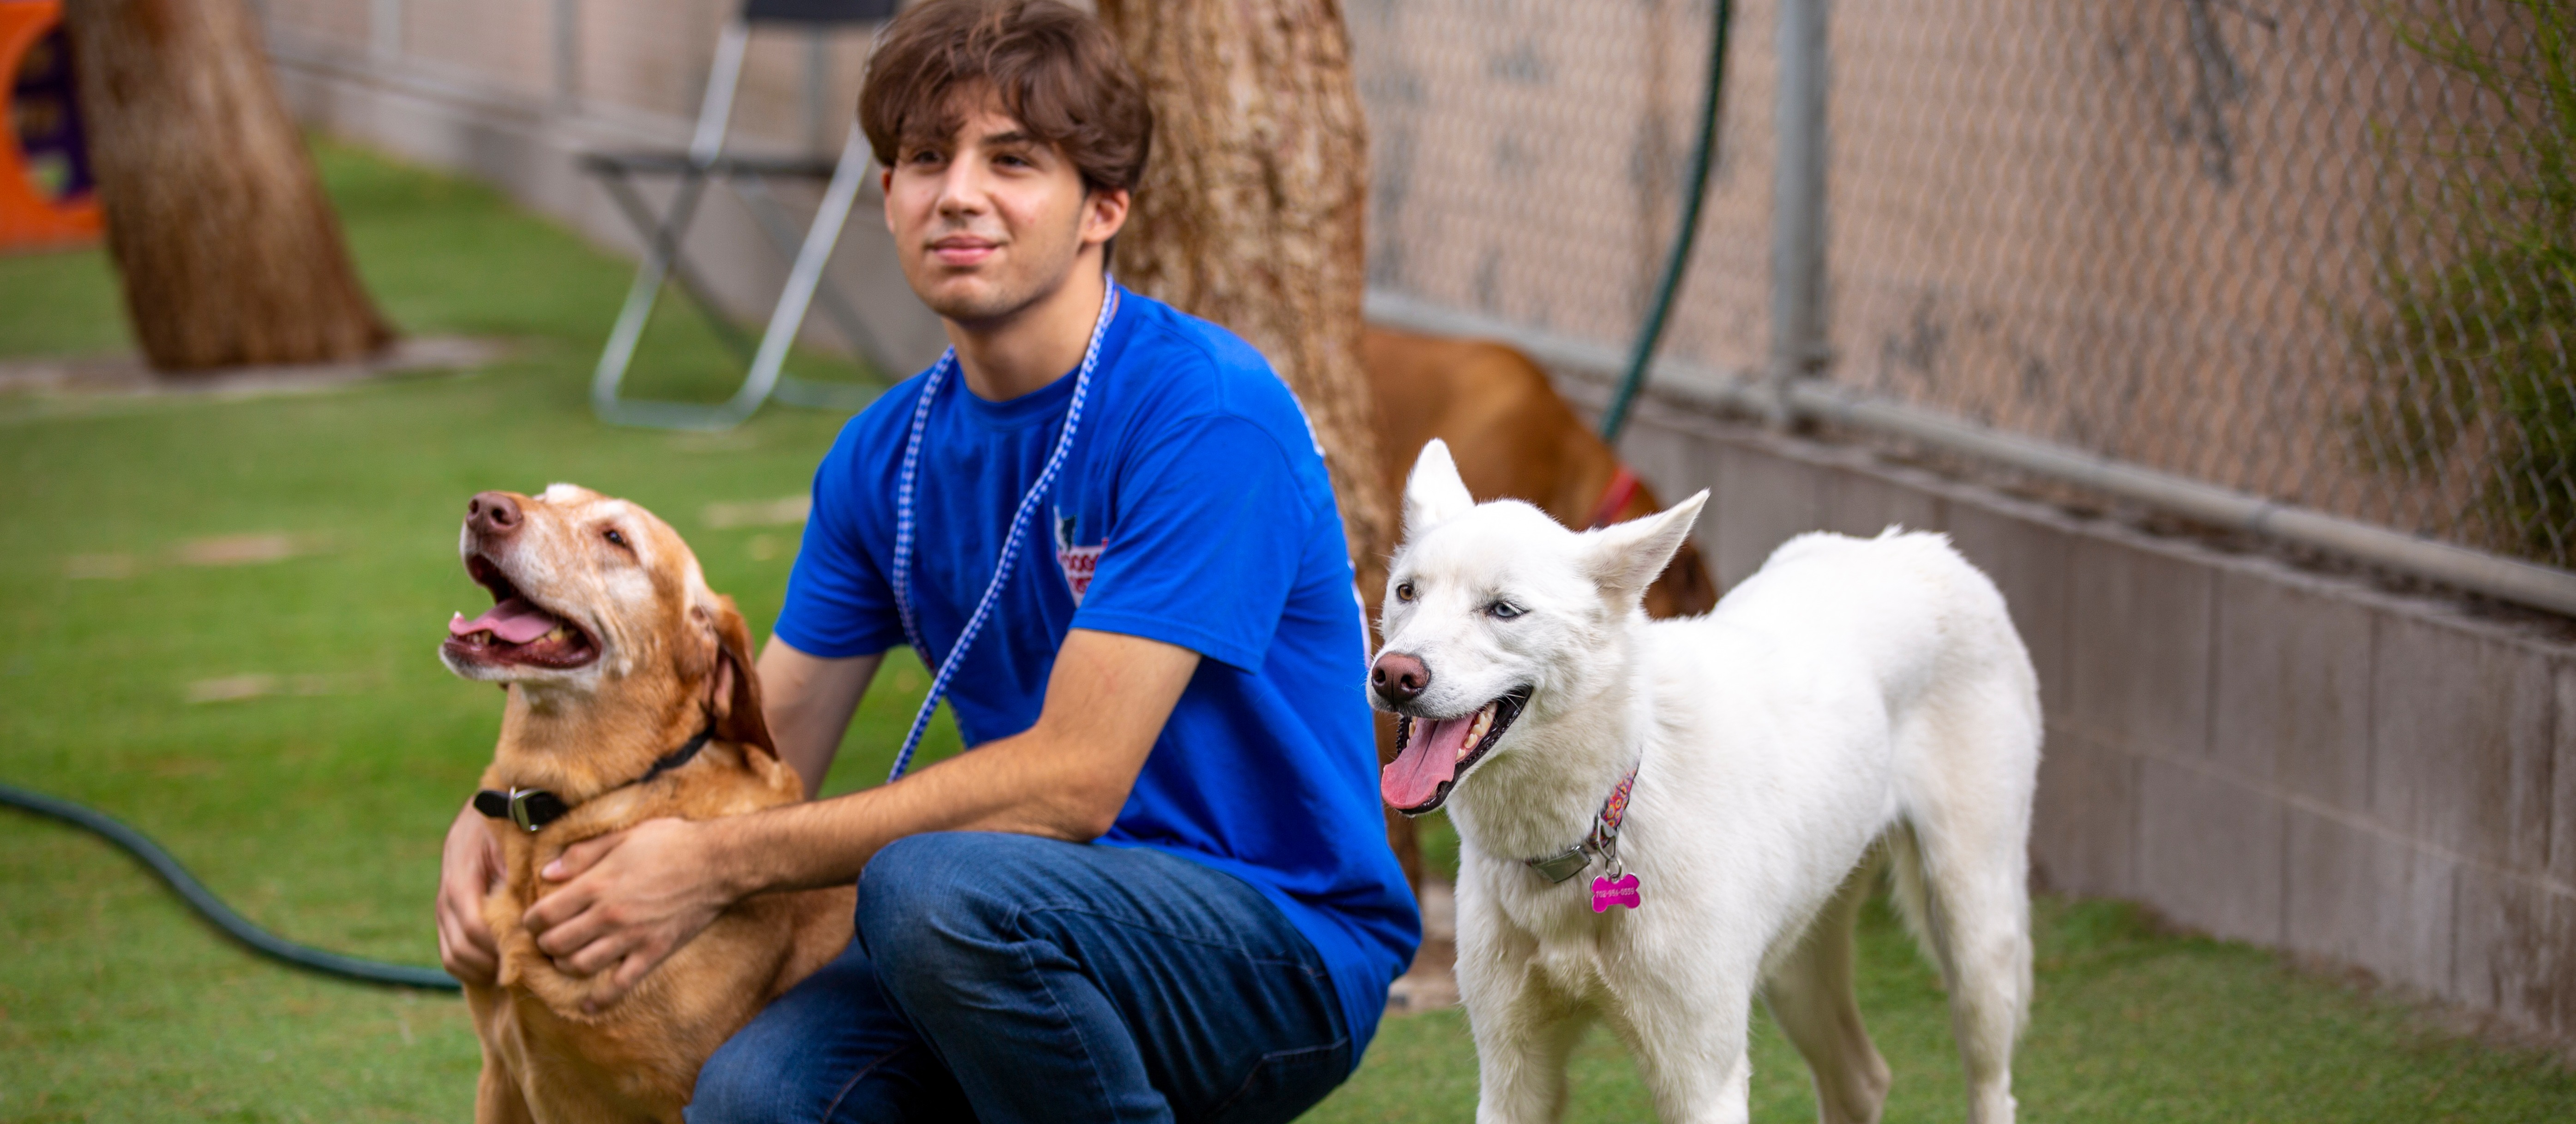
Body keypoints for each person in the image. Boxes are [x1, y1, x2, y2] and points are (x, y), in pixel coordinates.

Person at [430, 1, 1419, 1119]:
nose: (957, 192)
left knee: (928, 884)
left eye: (1013, 161)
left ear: (1105, 205)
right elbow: (756, 742)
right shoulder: (882, 456)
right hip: (1016, 932)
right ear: (888, 195)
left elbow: (1071, 784)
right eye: (921, 159)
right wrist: (509, 809)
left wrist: (710, 866)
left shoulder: (1203, 415)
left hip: (1272, 941)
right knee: (759, 1098)